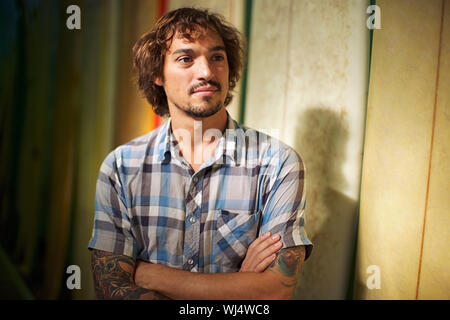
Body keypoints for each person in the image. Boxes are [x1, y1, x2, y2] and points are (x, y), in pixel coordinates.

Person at [88, 7, 313, 300]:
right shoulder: (120, 168)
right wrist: (239, 286)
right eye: (186, 59)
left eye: (217, 57)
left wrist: (149, 274)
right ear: (157, 74)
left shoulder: (277, 163)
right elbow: (110, 289)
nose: (206, 72)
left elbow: (275, 291)